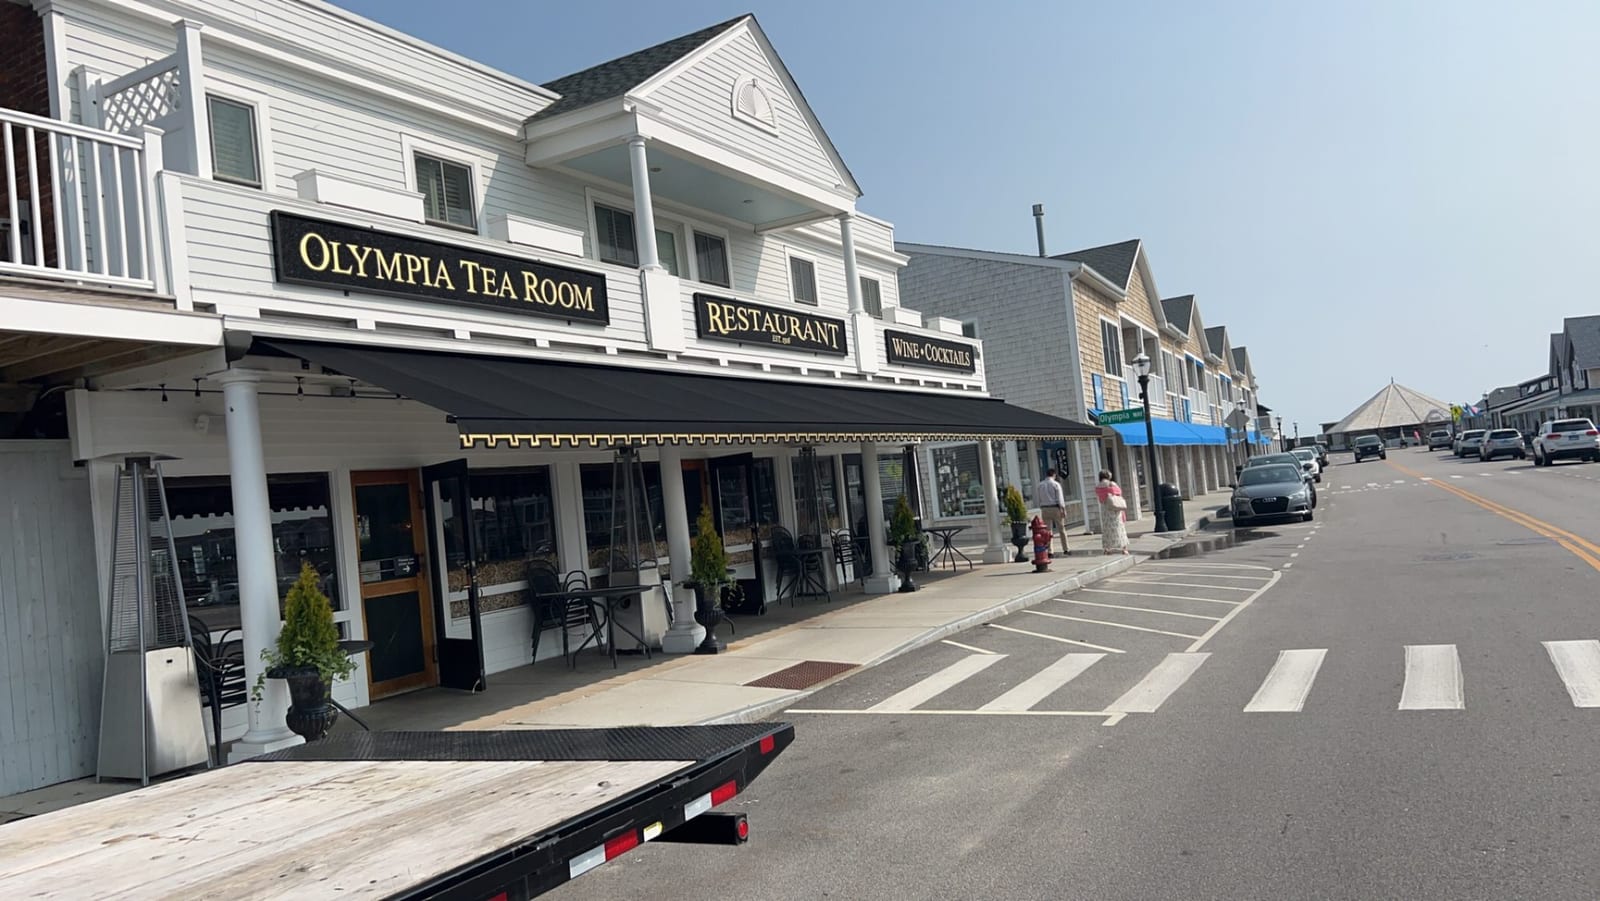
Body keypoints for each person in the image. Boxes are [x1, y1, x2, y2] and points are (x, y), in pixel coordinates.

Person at [1033, 467, 1070, 555]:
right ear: (1054, 475)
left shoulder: (1040, 485)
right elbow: (1060, 499)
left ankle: (1050, 550)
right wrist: (1063, 509)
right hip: (1055, 508)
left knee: (1047, 531)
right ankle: (1066, 549)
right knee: (1061, 529)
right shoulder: (1056, 484)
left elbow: (1038, 498)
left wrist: (1041, 506)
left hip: (1045, 508)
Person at [1095, 469, 1130, 555]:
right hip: (1114, 509)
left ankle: (1107, 548)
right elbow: (1119, 492)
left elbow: (1099, 496)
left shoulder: (1098, 486)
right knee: (1119, 527)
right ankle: (1124, 548)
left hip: (1105, 510)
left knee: (1107, 529)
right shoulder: (1111, 484)